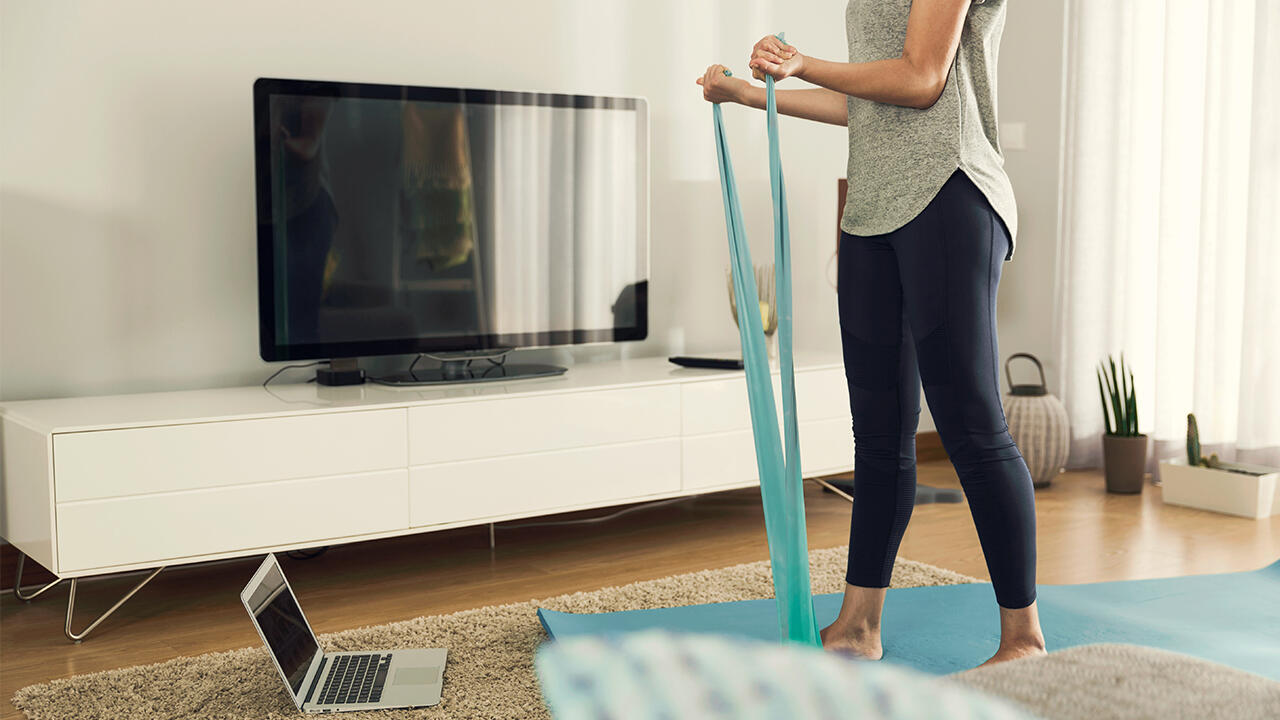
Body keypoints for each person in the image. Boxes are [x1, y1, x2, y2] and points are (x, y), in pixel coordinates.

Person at [697, 0, 1046, 668]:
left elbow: (921, 81)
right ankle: (858, 625)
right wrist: (752, 94)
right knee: (879, 430)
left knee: (970, 421)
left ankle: (1023, 640)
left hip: (950, 189)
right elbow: (869, 108)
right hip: (873, 208)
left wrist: (802, 63)